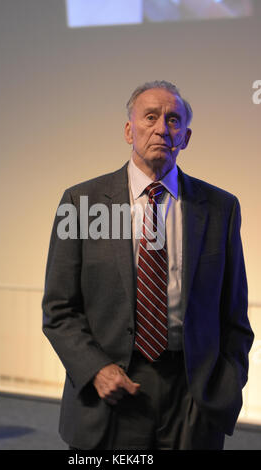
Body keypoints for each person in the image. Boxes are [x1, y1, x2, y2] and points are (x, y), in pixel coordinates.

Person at [42, 80, 254, 450]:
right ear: (129, 130)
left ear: (185, 136)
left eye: (173, 120)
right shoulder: (81, 202)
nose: (161, 128)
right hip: (111, 392)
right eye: (150, 117)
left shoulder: (220, 208)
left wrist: (226, 382)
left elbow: (234, 314)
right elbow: (59, 309)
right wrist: (95, 368)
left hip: (193, 395)